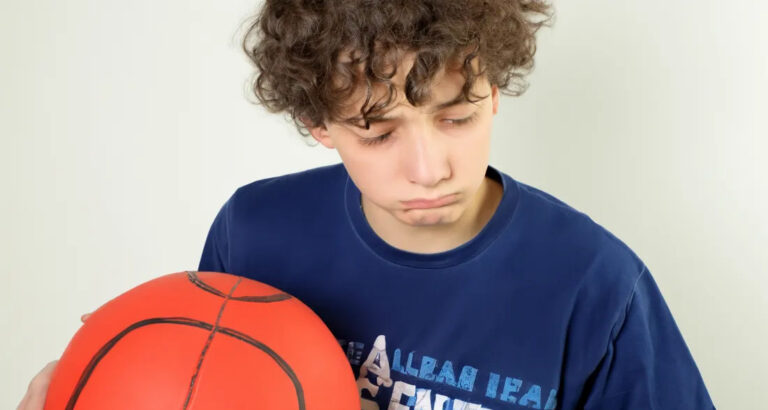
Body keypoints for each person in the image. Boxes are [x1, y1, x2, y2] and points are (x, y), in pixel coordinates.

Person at [19, 0, 716, 409]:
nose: (428, 169)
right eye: (377, 133)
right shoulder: (256, 233)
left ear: (496, 91)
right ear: (318, 123)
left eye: (458, 116)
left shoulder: (594, 282)